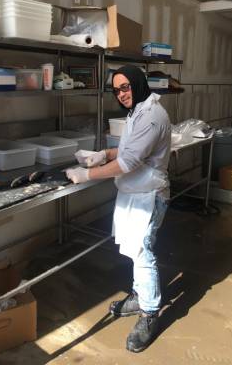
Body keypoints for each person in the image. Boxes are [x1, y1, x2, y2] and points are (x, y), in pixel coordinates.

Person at [66, 64, 171, 353]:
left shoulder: (152, 116)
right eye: (116, 90)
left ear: (137, 83)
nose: (122, 94)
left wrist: (87, 175)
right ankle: (140, 295)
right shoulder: (138, 110)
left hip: (149, 195)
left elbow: (129, 163)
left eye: (125, 87)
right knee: (134, 250)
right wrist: (103, 154)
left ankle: (149, 313)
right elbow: (125, 151)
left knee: (142, 252)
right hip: (135, 192)